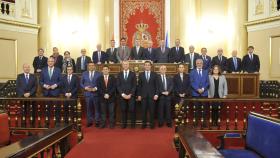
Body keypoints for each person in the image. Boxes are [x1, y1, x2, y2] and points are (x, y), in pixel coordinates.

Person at [39, 57, 62, 123]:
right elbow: (40, 81)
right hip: (46, 92)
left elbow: (60, 81)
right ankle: (47, 121)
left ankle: (57, 121)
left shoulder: (58, 70)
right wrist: (45, 86)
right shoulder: (43, 70)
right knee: (47, 108)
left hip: (55, 92)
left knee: (57, 108)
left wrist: (55, 85)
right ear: (47, 62)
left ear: (54, 62)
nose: (50, 62)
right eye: (49, 61)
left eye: (52, 61)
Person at [137, 61, 158, 129]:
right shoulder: (141, 74)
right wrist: (139, 95)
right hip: (143, 96)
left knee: (152, 111)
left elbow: (157, 86)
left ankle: (152, 124)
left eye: (148, 65)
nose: (147, 66)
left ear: (150, 66)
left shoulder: (154, 74)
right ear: (144, 66)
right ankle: (144, 124)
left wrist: (156, 94)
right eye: (146, 65)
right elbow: (139, 86)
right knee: (143, 111)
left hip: (152, 96)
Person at [80, 62, 101, 127]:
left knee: (97, 108)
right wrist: (85, 87)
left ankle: (97, 121)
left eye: (92, 65)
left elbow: (101, 83)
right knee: (89, 108)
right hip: (88, 94)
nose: (91, 67)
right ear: (88, 66)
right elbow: (81, 83)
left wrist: (96, 88)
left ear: (94, 66)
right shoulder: (84, 73)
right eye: (90, 65)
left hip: (96, 94)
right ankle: (89, 121)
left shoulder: (99, 74)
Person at [116, 61, 137, 128]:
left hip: (131, 96)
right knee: (123, 110)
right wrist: (122, 94)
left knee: (132, 110)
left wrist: (130, 94)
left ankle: (132, 125)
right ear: (122, 65)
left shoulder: (133, 74)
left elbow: (134, 86)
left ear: (129, 65)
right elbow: (118, 85)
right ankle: (124, 124)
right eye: (124, 64)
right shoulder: (119, 74)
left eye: (126, 64)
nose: (125, 65)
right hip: (122, 96)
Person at [190, 59, 209, 124]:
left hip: (204, 93)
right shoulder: (192, 72)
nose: (199, 64)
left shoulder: (206, 72)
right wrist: (197, 89)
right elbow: (191, 82)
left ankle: (204, 123)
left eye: (200, 63)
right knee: (196, 109)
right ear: (196, 64)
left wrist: (203, 89)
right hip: (195, 93)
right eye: (198, 63)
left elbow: (207, 82)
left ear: (202, 64)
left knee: (204, 109)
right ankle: (196, 122)